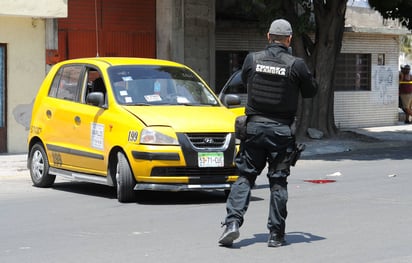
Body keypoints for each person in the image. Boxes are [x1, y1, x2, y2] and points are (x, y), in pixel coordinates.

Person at [218, 18, 318, 248]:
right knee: (278, 182)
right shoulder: (296, 65)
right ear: (289, 39)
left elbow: (245, 79)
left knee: (245, 177)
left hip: (253, 130)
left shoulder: (252, 59)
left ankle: (232, 223)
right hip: (281, 132)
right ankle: (276, 235)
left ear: (268, 36)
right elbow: (311, 91)